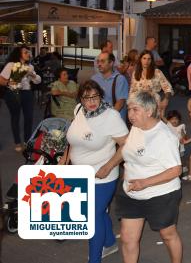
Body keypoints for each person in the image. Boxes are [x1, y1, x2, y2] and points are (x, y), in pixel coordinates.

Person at [60, 80, 128, 263]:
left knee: (91, 215)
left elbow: (126, 144)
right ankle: (110, 242)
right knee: (98, 213)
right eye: (86, 97)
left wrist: (109, 166)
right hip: (79, 175)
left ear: (100, 95)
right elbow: (72, 140)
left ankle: (94, 259)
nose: (91, 101)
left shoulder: (111, 116)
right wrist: (64, 160)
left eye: (95, 96)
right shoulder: (78, 111)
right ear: (80, 99)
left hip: (102, 176)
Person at [116, 91, 182, 263]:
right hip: (131, 193)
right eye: (129, 109)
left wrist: (144, 182)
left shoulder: (164, 136)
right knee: (128, 238)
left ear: (149, 111)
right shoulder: (136, 128)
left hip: (161, 195)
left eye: (135, 110)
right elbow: (126, 149)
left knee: (168, 235)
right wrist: (109, 165)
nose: (130, 114)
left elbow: (176, 170)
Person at [0, 46, 41, 151]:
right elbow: (1, 80)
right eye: (25, 52)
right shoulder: (11, 65)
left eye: (28, 52)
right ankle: (17, 142)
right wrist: (9, 82)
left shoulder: (30, 67)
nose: (28, 54)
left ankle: (27, 141)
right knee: (15, 117)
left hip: (27, 93)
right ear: (19, 54)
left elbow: (38, 81)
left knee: (29, 117)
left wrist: (32, 74)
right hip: (13, 93)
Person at [130, 50, 173, 119]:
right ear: (140, 59)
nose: (146, 61)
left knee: (153, 126)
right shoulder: (135, 73)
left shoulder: (157, 72)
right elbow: (132, 90)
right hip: (139, 104)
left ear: (151, 61)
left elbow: (168, 87)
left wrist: (166, 99)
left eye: (149, 59)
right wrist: (131, 106)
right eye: (144, 58)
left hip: (153, 104)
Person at [91, 52, 129, 121]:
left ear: (111, 63)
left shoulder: (120, 79)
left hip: (115, 121)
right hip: (97, 119)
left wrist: (107, 119)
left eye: (102, 61)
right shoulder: (94, 79)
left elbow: (120, 103)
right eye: (98, 61)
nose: (99, 64)